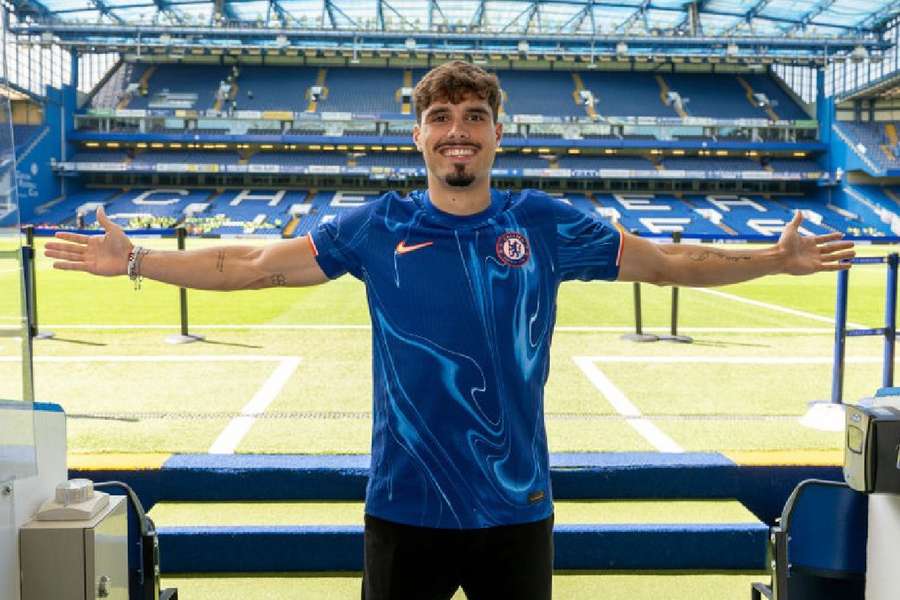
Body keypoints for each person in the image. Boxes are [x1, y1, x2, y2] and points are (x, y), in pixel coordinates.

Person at [45, 61, 855, 600]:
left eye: (475, 115)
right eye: (441, 116)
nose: (457, 129)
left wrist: (773, 261)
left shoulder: (543, 223)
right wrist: (138, 260)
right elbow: (250, 263)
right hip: (405, 508)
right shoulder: (376, 226)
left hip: (516, 510)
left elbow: (668, 263)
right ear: (419, 135)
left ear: (499, 134)